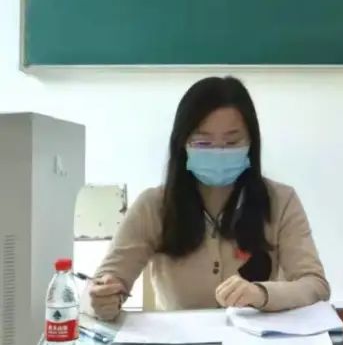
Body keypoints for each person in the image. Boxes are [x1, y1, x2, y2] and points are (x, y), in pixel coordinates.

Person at [89, 77, 330, 319]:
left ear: (251, 143)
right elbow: (101, 285)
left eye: (232, 142)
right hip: (179, 339)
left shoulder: (281, 200)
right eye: (203, 142)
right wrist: (103, 298)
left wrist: (262, 294)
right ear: (183, 144)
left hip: (257, 340)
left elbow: (316, 284)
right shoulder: (153, 206)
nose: (218, 151)